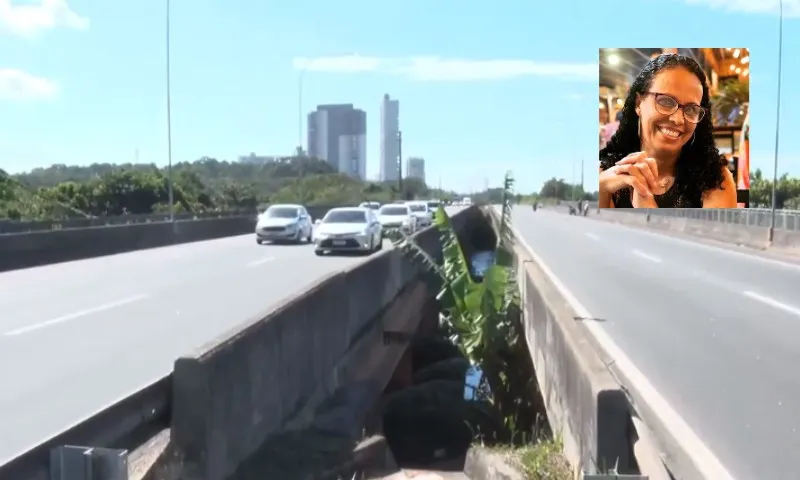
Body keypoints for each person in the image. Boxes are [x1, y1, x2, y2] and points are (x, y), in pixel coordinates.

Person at [598, 54, 737, 208]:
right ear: (638, 103)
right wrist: (601, 192)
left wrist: (646, 204)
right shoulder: (607, 175)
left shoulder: (714, 177)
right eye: (665, 101)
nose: (678, 119)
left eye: (691, 109)